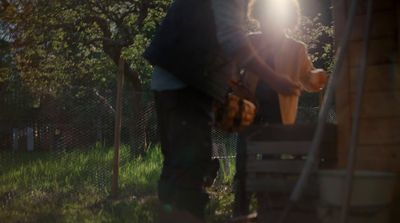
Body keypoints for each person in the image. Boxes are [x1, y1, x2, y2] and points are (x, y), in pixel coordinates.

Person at [143, 0, 300, 221]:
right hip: (185, 85)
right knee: (189, 176)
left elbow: (217, 38)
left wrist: (221, 94)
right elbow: (232, 39)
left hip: (175, 82)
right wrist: (275, 79)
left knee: (178, 172)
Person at [233, 0, 328, 216]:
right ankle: (239, 213)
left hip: (278, 120)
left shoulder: (297, 49)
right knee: (243, 167)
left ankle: (266, 213)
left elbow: (308, 79)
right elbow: (232, 73)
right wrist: (239, 90)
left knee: (271, 168)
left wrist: (319, 76)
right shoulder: (250, 42)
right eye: (265, 18)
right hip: (248, 115)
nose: (269, 23)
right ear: (258, 17)